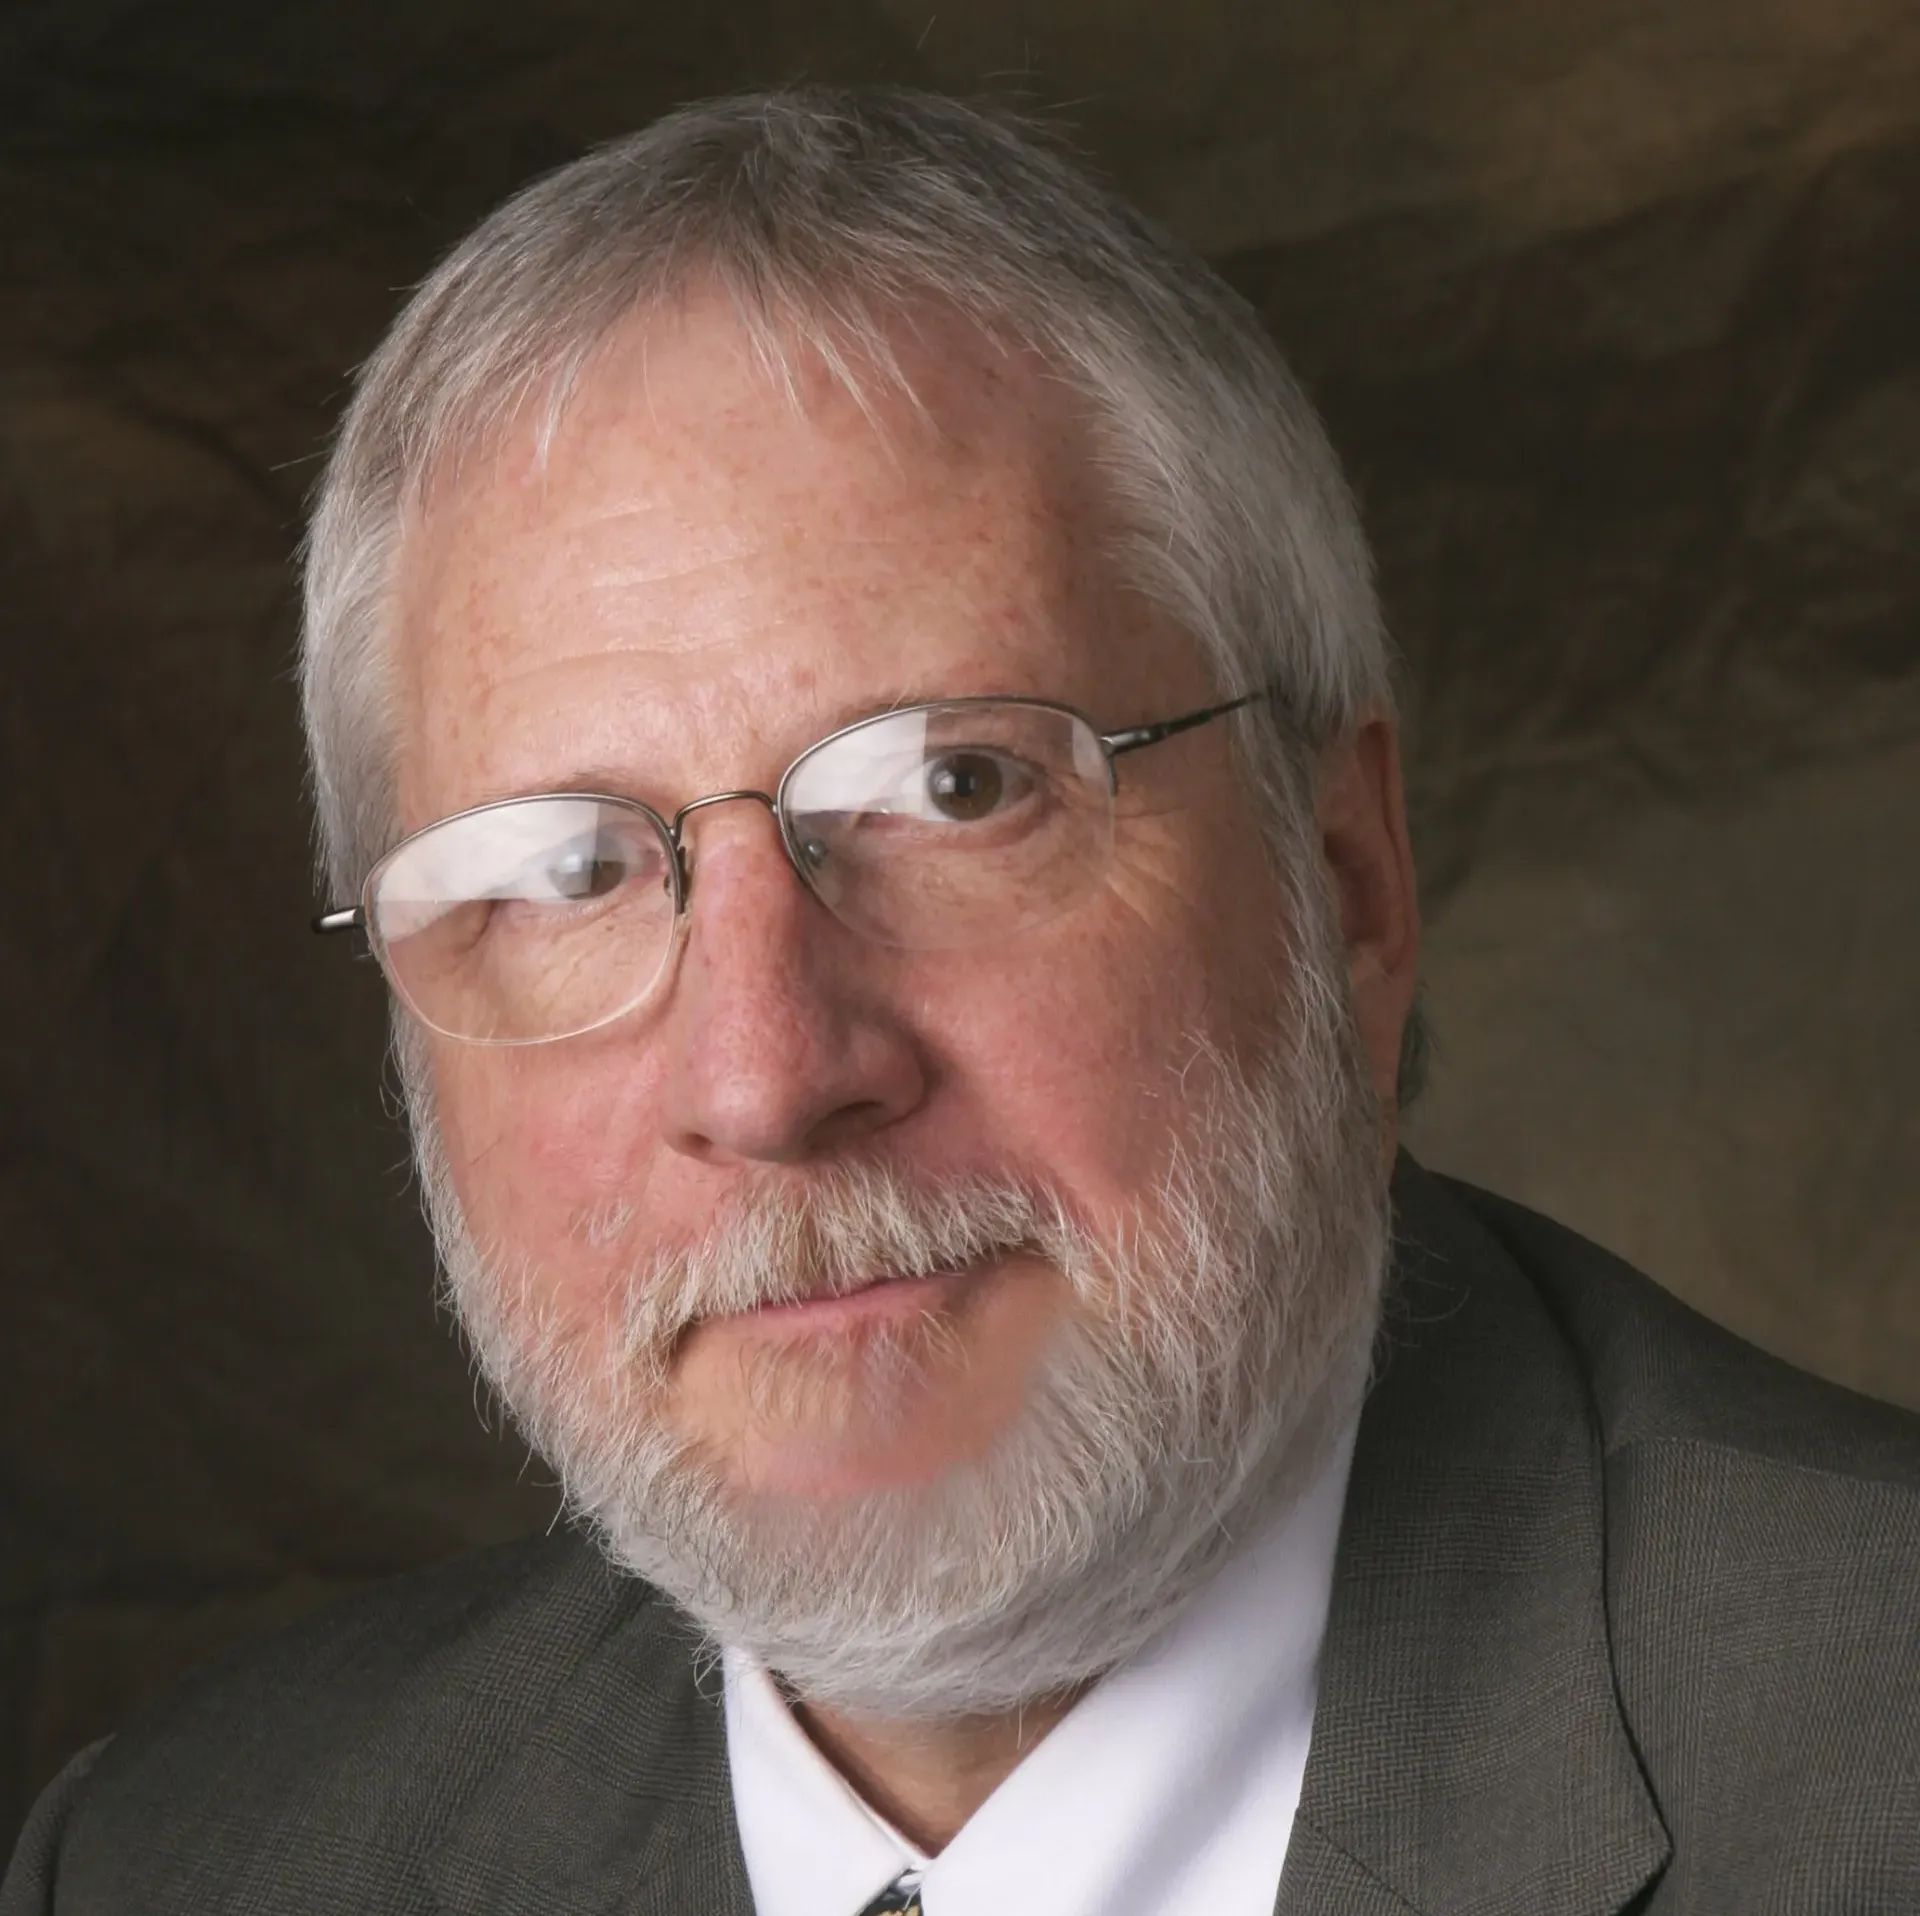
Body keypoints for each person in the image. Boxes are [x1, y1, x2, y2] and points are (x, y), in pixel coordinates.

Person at [6, 84, 1916, 1916]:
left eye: (957, 789)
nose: (765, 1073)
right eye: (572, 870)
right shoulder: (186, 1870)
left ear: (1346, 883)